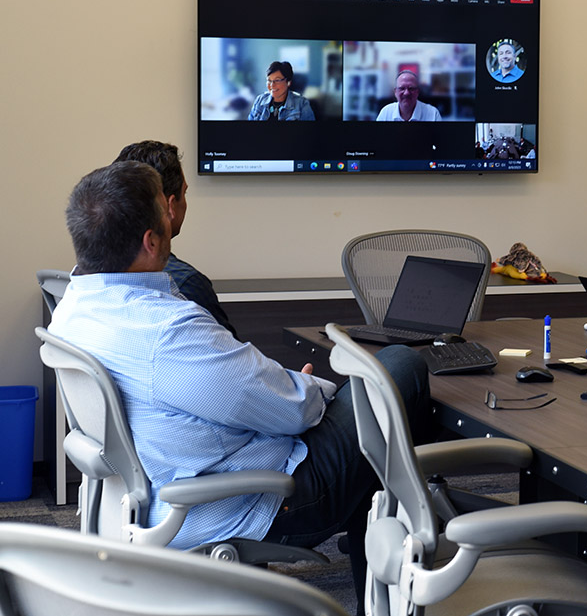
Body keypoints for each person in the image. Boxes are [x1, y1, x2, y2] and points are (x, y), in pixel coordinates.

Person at [48, 161, 432, 612]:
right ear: (152, 241)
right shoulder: (167, 333)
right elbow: (293, 412)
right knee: (398, 368)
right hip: (247, 500)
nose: (172, 218)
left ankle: (379, 542)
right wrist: (313, 390)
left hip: (148, 492)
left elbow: (240, 392)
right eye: (164, 214)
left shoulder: (72, 306)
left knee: (372, 439)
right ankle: (409, 543)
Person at [113, 140, 238, 339]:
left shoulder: (95, 280)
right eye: (184, 193)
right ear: (170, 206)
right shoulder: (186, 285)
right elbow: (233, 363)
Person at [248, 61, 316, 121]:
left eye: (277, 80)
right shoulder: (259, 100)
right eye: (269, 80)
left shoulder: (302, 104)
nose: (272, 85)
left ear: (288, 82)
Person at [376, 70, 442, 122]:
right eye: (402, 88)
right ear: (395, 92)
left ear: (418, 92)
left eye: (411, 88)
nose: (406, 93)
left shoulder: (433, 114)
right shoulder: (386, 112)